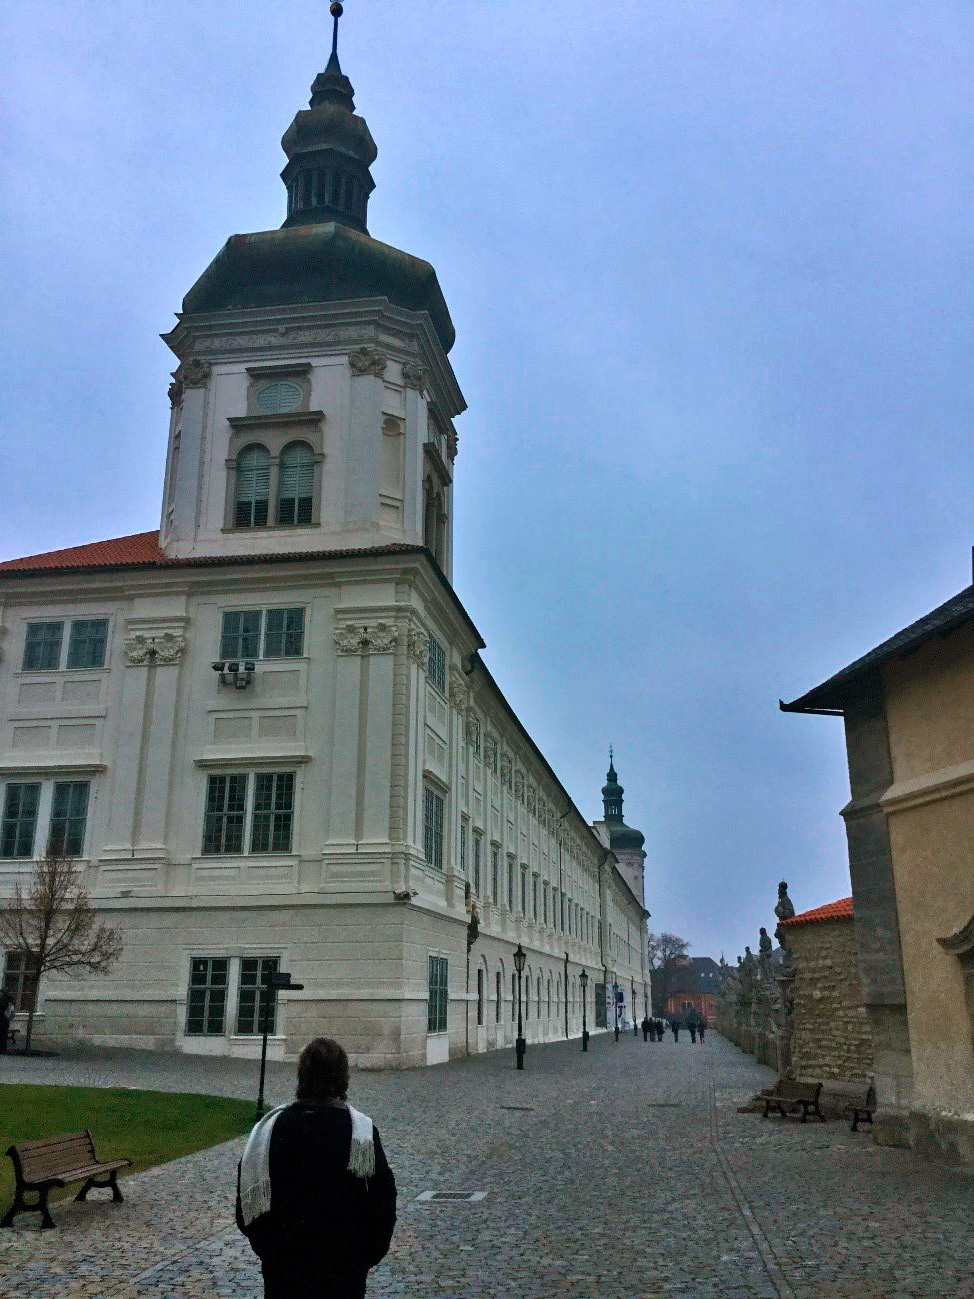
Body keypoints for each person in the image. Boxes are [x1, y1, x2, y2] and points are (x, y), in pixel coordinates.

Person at [236, 1037, 397, 1299]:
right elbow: (382, 1203)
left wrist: (269, 1249)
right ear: (343, 1077)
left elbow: (247, 1204)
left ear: (301, 1076)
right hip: (343, 1271)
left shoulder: (269, 1131)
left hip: (284, 1269)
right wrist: (364, 1257)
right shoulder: (361, 1133)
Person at [0, 986, 13, 1054]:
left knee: (2, 1035)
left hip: (2, 1020)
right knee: (3, 1035)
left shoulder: (3, 1001)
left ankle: (2, 1049)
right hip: (5, 1020)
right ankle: (3, 1049)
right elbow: (11, 1013)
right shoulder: (9, 1001)